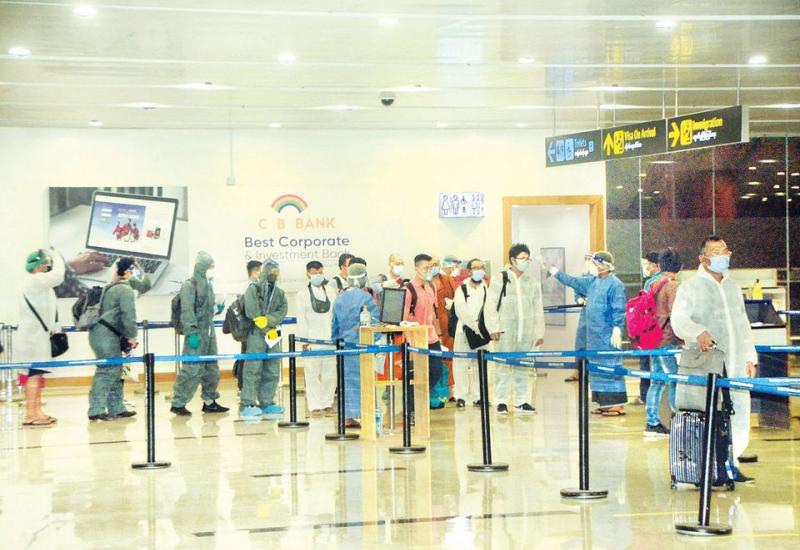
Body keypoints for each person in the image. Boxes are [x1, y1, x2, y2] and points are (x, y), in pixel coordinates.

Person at [671, 235, 757, 482]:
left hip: (736, 361)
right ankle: (706, 466)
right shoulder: (690, 287)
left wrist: (749, 357)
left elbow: (743, 324)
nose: (722, 256)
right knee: (709, 412)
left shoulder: (733, 287)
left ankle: (731, 462)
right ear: (703, 258)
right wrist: (697, 332)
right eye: (715, 252)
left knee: (738, 409)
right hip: (706, 363)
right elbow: (679, 320)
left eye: (725, 251)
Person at [548, 250, 627, 416]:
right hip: (593, 336)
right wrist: (554, 271)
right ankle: (604, 403)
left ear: (603, 265)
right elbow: (573, 282)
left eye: (594, 262)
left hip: (608, 335)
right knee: (597, 370)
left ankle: (617, 405)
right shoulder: (592, 282)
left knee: (610, 367)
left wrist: (617, 328)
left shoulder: (615, 284)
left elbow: (619, 308)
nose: (591, 265)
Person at [485, 244, 544, 415]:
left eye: (527, 258)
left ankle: (521, 401)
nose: (526, 262)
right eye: (522, 258)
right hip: (504, 331)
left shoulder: (532, 282)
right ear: (512, 260)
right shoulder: (500, 279)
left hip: (526, 331)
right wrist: (493, 327)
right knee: (502, 367)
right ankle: (501, 401)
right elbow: (490, 305)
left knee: (523, 366)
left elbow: (537, 308)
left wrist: (539, 332)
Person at [170, 251, 229, 416]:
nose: (212, 269)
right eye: (210, 266)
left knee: (211, 368)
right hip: (195, 333)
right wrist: (192, 333)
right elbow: (187, 311)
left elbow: (206, 309)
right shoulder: (189, 285)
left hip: (209, 332)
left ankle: (210, 402)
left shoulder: (208, 285)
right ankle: (178, 403)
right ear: (202, 266)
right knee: (192, 369)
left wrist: (218, 309)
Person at [87, 257, 139, 421]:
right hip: (106, 336)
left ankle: (116, 408)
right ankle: (95, 410)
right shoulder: (125, 290)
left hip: (102, 334)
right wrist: (132, 336)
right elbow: (129, 316)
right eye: (134, 271)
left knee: (115, 371)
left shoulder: (112, 287)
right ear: (127, 272)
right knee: (107, 372)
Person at [18, 249, 65, 426]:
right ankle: (31, 414)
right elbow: (58, 276)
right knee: (33, 375)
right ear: (37, 266)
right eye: (45, 264)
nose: (47, 267)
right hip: (33, 338)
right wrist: (57, 256)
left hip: (37, 336)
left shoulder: (38, 283)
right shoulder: (35, 280)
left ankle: (37, 411)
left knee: (37, 375)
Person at [331, 263, 379, 428]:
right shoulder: (365, 298)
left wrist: (337, 341)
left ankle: (347, 416)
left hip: (344, 346)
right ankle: (365, 415)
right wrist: (375, 340)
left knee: (346, 381)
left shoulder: (340, 298)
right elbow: (373, 322)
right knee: (363, 380)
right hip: (362, 344)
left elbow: (335, 325)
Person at [240, 259, 289, 418]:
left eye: (276, 270)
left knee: (272, 368)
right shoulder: (253, 290)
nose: (273, 273)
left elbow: (282, 311)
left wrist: (268, 320)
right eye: (270, 270)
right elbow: (252, 312)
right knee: (253, 368)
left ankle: (267, 402)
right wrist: (264, 323)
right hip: (256, 333)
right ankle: (247, 403)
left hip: (272, 333)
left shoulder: (280, 293)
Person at [643, 247, 683, 437]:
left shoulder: (653, 283)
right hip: (666, 341)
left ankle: (652, 422)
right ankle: (679, 421)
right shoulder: (673, 286)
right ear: (680, 267)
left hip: (652, 338)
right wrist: (683, 339)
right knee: (675, 380)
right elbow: (676, 315)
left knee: (657, 381)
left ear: (660, 265)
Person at [295, 261, 338, 417]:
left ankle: (327, 403)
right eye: (314, 273)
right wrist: (304, 341)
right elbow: (301, 319)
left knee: (330, 374)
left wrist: (336, 337)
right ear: (308, 274)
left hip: (330, 340)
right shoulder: (302, 295)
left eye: (320, 272)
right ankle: (314, 405)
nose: (318, 275)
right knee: (312, 374)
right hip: (312, 340)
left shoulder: (331, 292)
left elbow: (335, 316)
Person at [404, 254, 446, 409]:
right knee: (415, 374)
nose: (429, 270)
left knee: (436, 370)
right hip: (415, 339)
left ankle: (421, 399)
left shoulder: (432, 286)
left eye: (430, 267)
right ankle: (411, 409)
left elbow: (433, 314)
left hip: (432, 337)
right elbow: (403, 319)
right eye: (425, 268)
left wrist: (439, 335)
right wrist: (409, 343)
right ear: (416, 268)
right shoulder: (408, 289)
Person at [452, 258, 493, 407]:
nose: (479, 270)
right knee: (461, 365)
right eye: (475, 268)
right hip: (464, 331)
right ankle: (460, 396)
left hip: (482, 333)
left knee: (480, 365)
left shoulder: (486, 288)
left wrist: (485, 328)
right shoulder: (461, 289)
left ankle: (479, 396)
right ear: (469, 271)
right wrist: (474, 326)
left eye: (481, 267)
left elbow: (490, 309)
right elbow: (461, 311)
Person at [632, 251, 662, 405]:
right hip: (662, 331)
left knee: (646, 364)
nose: (645, 268)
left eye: (646, 265)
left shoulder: (650, 283)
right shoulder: (669, 280)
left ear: (655, 265)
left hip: (649, 331)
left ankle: (645, 396)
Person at [233, 260, 263, 391]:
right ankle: (242, 387)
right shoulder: (245, 288)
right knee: (246, 357)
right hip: (248, 328)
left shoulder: (260, 286)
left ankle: (256, 387)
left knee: (258, 358)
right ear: (255, 272)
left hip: (259, 329)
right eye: (260, 270)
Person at [431, 256, 457, 402]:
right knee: (433, 360)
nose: (434, 266)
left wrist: (452, 304)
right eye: (432, 264)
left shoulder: (447, 280)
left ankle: (450, 390)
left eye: (436, 264)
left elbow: (456, 298)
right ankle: (435, 391)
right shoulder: (425, 283)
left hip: (447, 326)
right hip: (431, 328)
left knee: (449, 358)